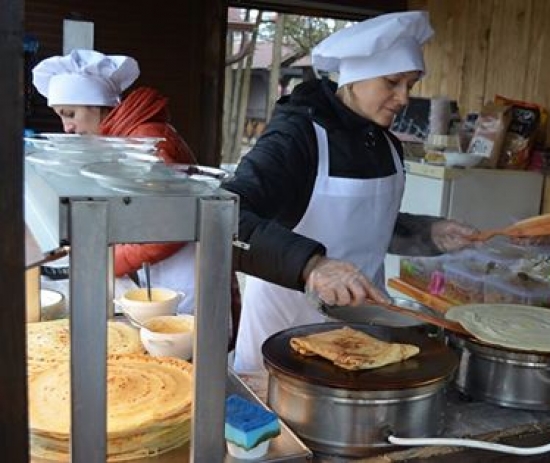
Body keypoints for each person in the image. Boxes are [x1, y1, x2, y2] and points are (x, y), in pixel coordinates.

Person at [223, 10, 479, 373]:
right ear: (355, 79)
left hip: (364, 327)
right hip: (284, 330)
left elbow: (364, 226)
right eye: (392, 82)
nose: (404, 98)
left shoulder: (387, 143)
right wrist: (312, 265)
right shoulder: (297, 136)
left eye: (411, 84)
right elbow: (227, 216)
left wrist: (427, 233)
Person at [32, 49, 198, 313]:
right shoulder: (120, 136)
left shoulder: (144, 139)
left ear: (96, 106)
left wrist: (110, 260)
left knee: (183, 347)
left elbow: (167, 228)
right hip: (158, 271)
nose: (66, 127)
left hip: (182, 275)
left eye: (70, 114)